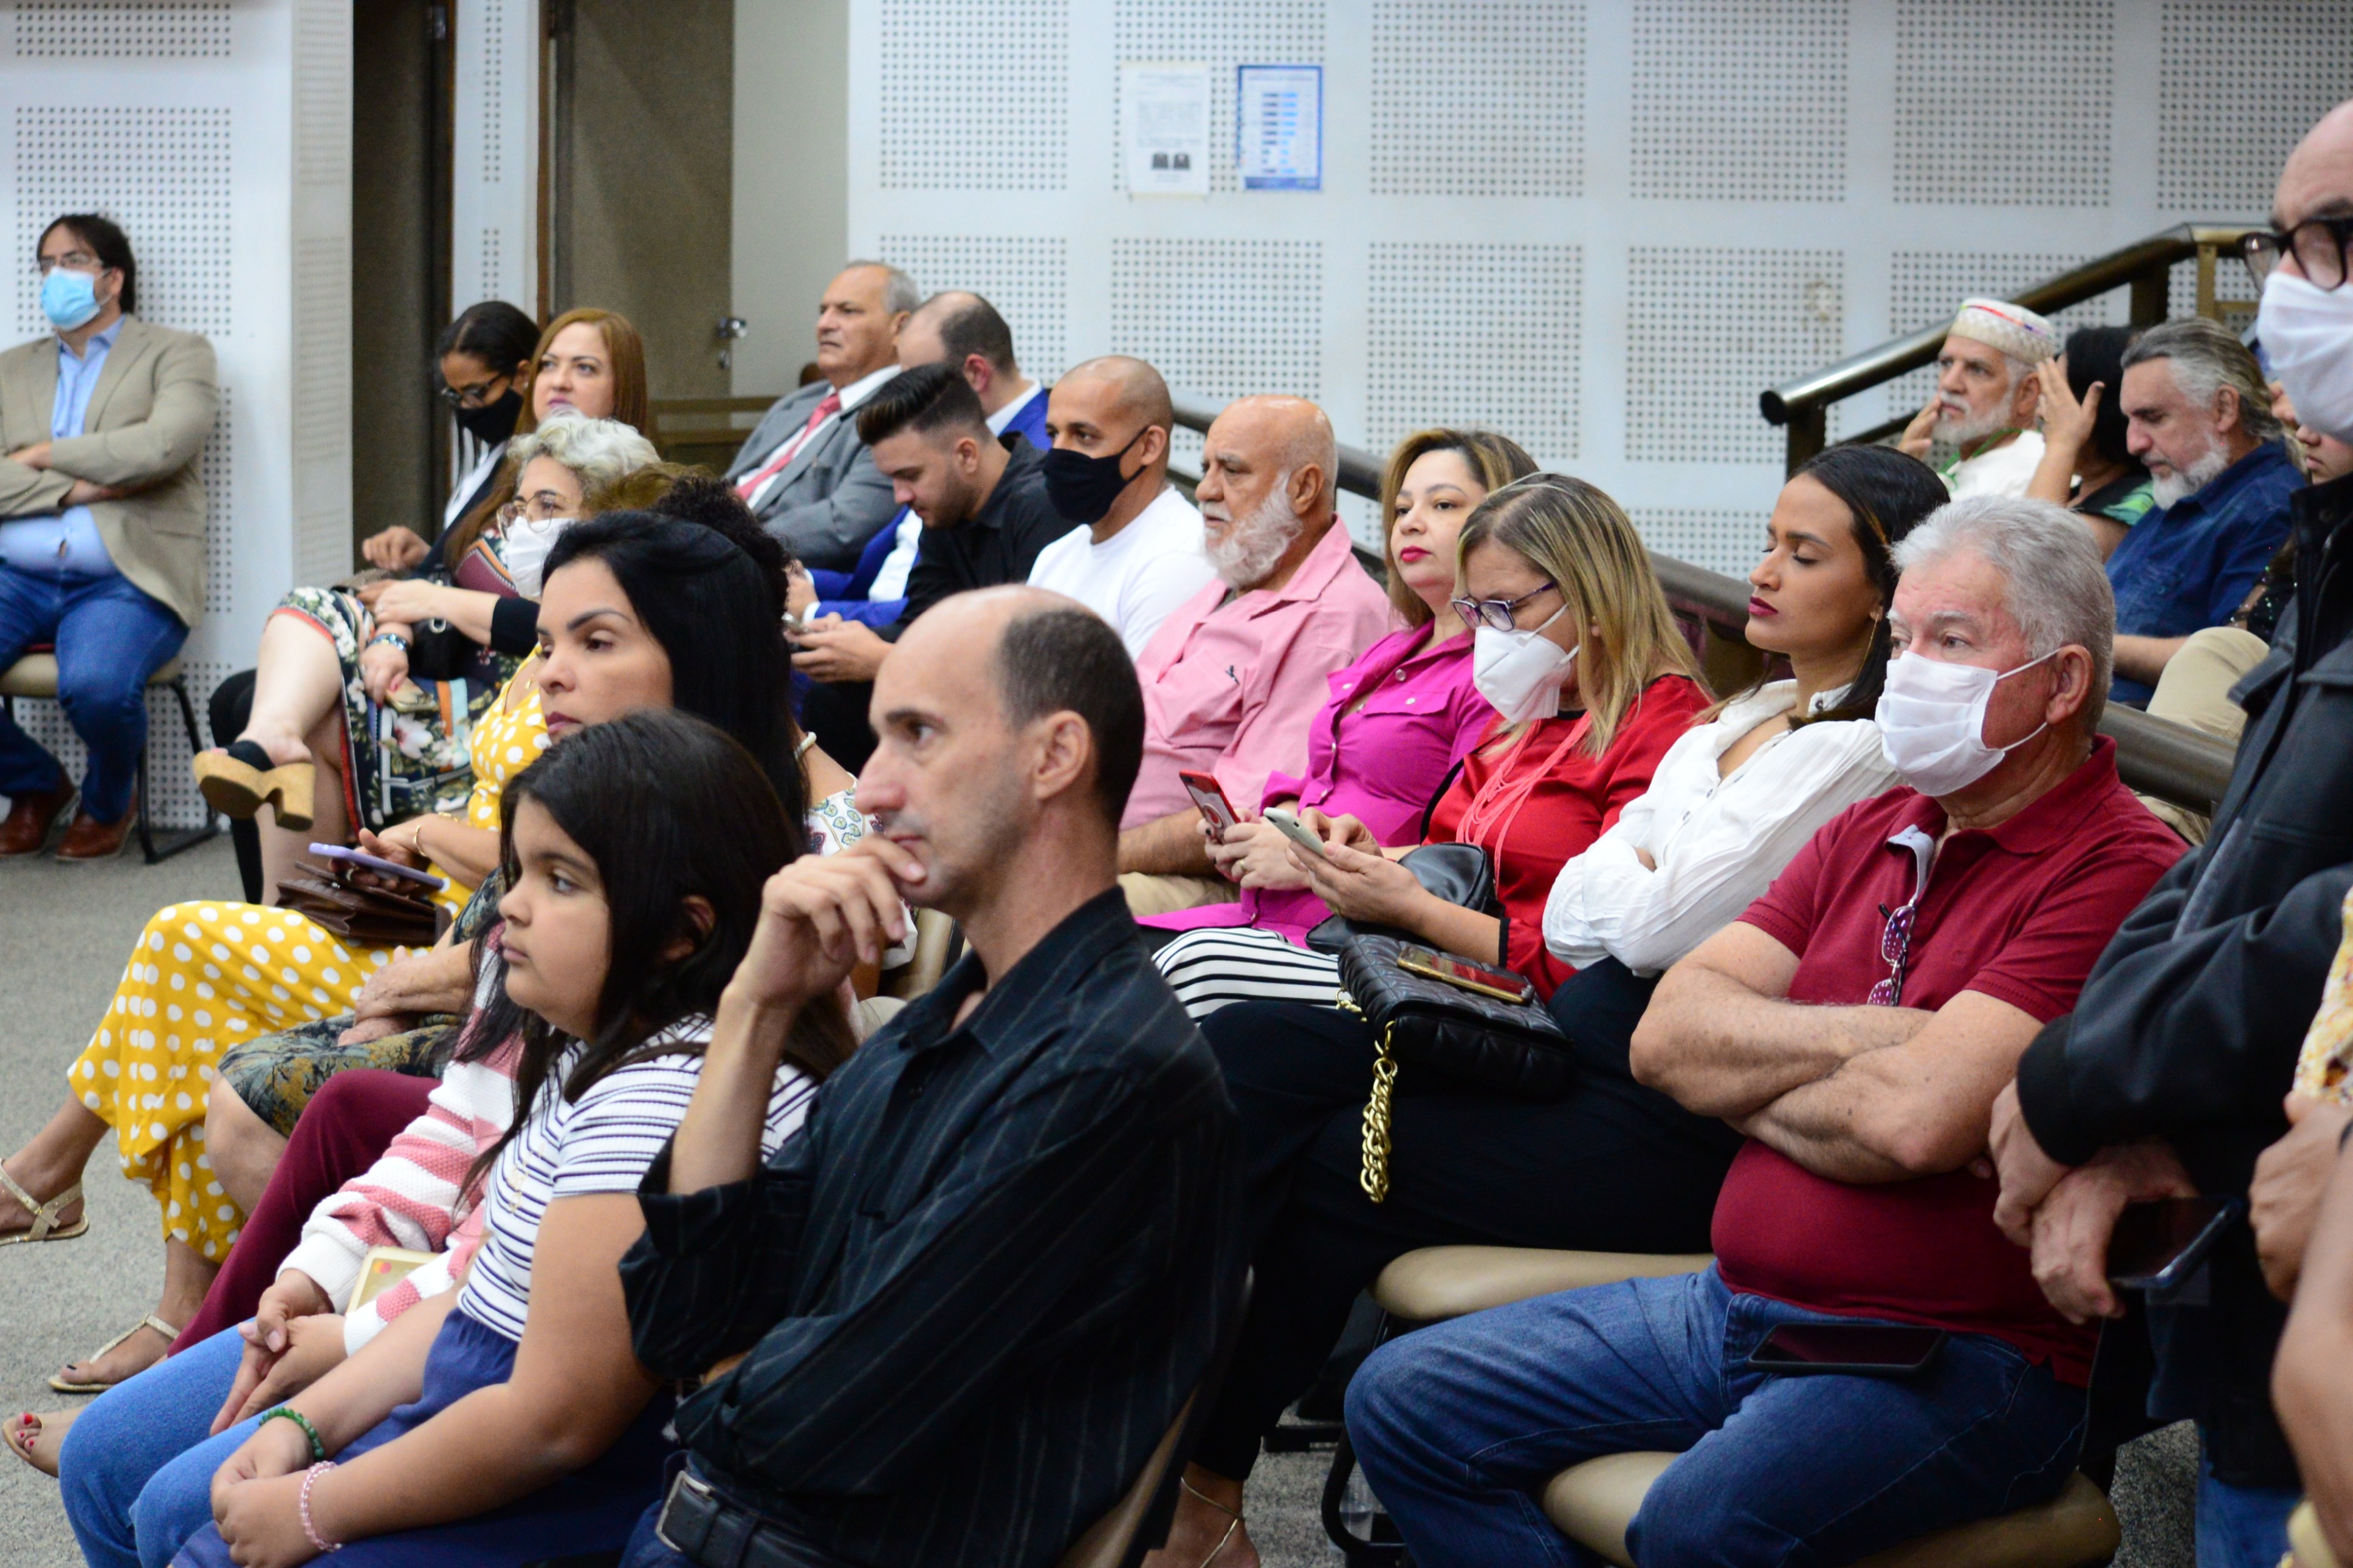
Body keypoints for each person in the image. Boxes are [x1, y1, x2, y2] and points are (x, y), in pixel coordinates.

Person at [1348, 495, 2185, 1566]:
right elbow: (1669, 1041)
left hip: (1946, 1357)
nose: (1909, 671)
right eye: (1902, 639)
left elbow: (1914, 1124)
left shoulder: (2121, 870)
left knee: (1699, 1524)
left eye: (1951, 642)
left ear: (2063, 683)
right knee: (1405, 1401)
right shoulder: (1870, 827)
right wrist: (1893, 1040)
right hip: (1734, 1305)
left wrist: (1760, 1077)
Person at [1150, 454, 1947, 1565]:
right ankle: (1163, 1438)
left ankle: (1160, 1445)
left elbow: (1645, 925)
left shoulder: (1845, 748)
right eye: (1768, 541)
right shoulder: (1747, 712)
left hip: (1646, 1098)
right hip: (1566, 1034)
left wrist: (1610, 884)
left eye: (1801, 554)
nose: (1760, 572)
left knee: (1303, 1124)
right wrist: (1606, 884)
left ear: (1885, 591)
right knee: (1251, 1052)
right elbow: (1584, 903)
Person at [0, 509, 828, 1395]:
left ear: (699, 653)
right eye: (546, 643)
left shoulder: (744, 879)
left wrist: (348, 1360)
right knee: (193, 955)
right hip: (463, 957)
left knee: (253, 1054)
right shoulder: (584, 778)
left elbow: (526, 1240)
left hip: (476, 1018)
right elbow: (499, 991)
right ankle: (184, 1320)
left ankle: (157, 1296)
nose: (551, 672)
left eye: (594, 642)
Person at [613, 587, 1244, 1568]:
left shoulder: (1109, 1071)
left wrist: (717, 1378)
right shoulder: (940, 1021)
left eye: (917, 735)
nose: (870, 789)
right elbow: (679, 1313)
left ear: (1054, 755)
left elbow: (818, 1423)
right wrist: (754, 1009)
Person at [144, 711, 854, 1568]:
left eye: (560, 881)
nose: (509, 905)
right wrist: (305, 1422)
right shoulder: (594, 1045)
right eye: (519, 871)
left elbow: (549, 1425)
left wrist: (315, 1506)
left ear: (682, 933)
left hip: (527, 1490)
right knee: (177, 1515)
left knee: (193, 1542)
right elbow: (482, 1299)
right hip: (466, 1409)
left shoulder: (658, 1099)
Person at [1994, 103, 2353, 1567]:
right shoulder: (2331, 535)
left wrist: (2077, 1078)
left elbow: (2328, 911)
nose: (2291, 293)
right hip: (2262, 1279)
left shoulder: (2284, 512)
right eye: (2285, 248)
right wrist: (2108, 1079)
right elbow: (2242, 848)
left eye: (2336, 240)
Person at [1141, 428, 1533, 1006]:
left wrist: (1307, 860)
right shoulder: (1393, 651)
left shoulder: (1498, 672)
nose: (1411, 524)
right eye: (1402, 509)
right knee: (1080, 954)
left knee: (1129, 973)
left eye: (1443, 505)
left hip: (1358, 944)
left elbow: (1470, 852)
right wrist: (1260, 829)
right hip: (1268, 915)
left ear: (1508, 522)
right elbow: (1320, 780)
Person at [193, 413, 658, 897]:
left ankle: (274, 753)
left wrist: (426, 835)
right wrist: (396, 632)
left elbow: (560, 851)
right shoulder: (543, 647)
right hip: (456, 857)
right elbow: (423, 581)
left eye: (548, 505)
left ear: (612, 515)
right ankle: (275, 765)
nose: (525, 526)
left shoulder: (608, 663)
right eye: (520, 509)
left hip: (484, 890)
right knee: (310, 618)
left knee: (309, 681)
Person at [1116, 395, 1396, 916]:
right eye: (1206, 467)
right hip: (1099, 838)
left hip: (1197, 881)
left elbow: (1237, 818)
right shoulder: (1244, 571)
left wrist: (1087, 854)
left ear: (1304, 488)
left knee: (1023, 909)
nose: (1205, 489)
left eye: (1232, 470)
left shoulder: (1331, 621)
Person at [0, 213, 216, 859]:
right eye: (46, 264)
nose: (54, 276)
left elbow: (162, 446)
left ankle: (108, 798)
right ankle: (38, 786)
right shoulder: (11, 369)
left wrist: (40, 455)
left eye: (72, 261)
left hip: (127, 578)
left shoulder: (177, 353)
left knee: (96, 685)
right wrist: (77, 488)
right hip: (17, 576)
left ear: (112, 278)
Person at [788, 363, 1069, 769]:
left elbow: (1029, 670)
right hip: (967, 702)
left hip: (1028, 720)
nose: (900, 496)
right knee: (828, 685)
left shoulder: (1042, 505)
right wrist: (848, 638)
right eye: (892, 479)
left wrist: (883, 658)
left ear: (966, 454)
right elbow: (921, 624)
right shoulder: (947, 507)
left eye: (910, 476)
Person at [787, 289, 1056, 632]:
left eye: (915, 376)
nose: (900, 495)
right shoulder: (943, 484)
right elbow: (907, 602)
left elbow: (1013, 635)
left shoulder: (1042, 479)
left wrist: (818, 616)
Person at [2103, 317, 2304, 704]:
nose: (2133, 443)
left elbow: (2235, 658)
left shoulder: (2271, 509)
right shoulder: (2188, 480)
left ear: (2224, 409)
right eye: (2131, 420)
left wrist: (2089, 646)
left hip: (2149, 735)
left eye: (2153, 418)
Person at [726, 260, 915, 570]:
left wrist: (727, 539)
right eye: (823, 311)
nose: (824, 324)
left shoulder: (901, 412)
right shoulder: (799, 403)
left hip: (772, 571)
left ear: (900, 327)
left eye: (847, 311)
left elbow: (847, 525)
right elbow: (733, 483)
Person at [1027, 354, 1218, 657]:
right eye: (1053, 435)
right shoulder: (1055, 557)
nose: (1058, 453)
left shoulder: (1179, 558)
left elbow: (1142, 689)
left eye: (1084, 436)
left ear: (1149, 446)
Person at [357, 301, 541, 571]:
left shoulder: (543, 467)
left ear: (523, 375)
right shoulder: (497, 453)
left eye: (476, 393)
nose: (466, 407)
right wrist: (429, 556)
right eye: (456, 396)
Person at [1898, 296, 2061, 500]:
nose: (1949, 383)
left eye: (1977, 370)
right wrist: (1899, 473)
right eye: (1947, 363)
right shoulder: (1965, 461)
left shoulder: (2038, 471)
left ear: (2027, 393)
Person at [2027, 323, 2154, 558]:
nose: (2042, 413)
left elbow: (2028, 559)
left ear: (2099, 408)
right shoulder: (2079, 491)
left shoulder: (2139, 502)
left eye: (2056, 398)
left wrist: (2062, 442)